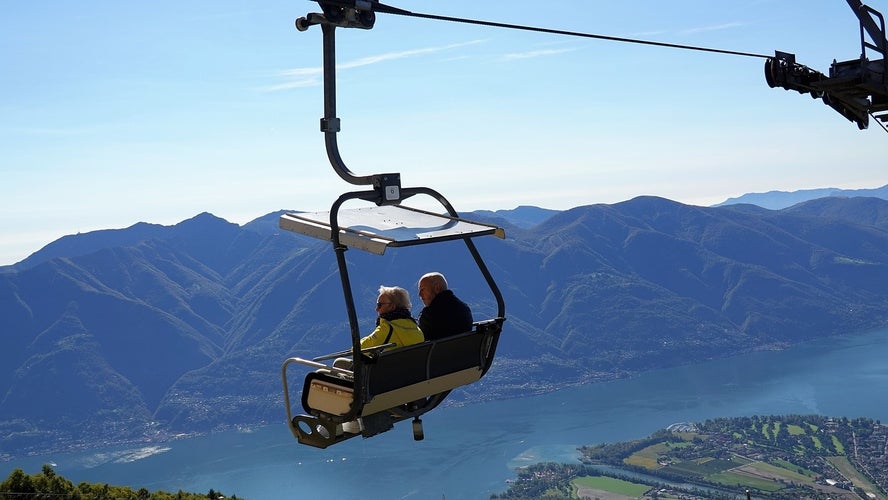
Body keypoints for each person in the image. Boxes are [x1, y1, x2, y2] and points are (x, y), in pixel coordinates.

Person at [359, 285, 424, 350]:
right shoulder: (416, 329)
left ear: (392, 307)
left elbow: (360, 349)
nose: (376, 309)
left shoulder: (387, 328)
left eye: (379, 305)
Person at [417, 272, 473, 341]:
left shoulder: (429, 315)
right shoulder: (465, 310)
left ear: (437, 288)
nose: (419, 295)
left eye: (422, 289)